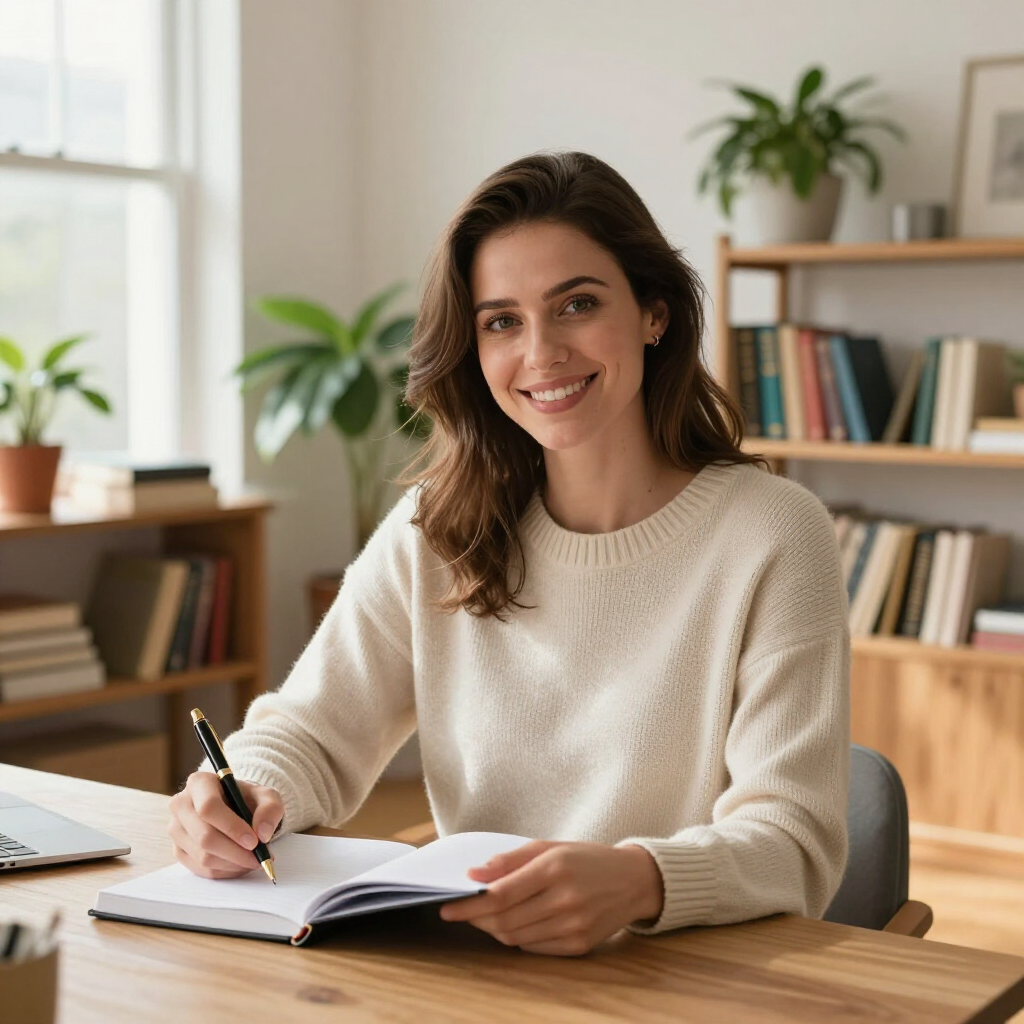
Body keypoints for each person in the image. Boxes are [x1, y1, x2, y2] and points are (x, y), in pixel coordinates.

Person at [168, 151, 850, 957]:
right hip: (476, 969)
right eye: (501, 321)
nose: (541, 353)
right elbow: (313, 729)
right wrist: (244, 787)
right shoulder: (439, 526)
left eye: (577, 305)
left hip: (681, 976)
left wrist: (639, 879)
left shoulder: (773, 532)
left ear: (654, 313)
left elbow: (793, 838)